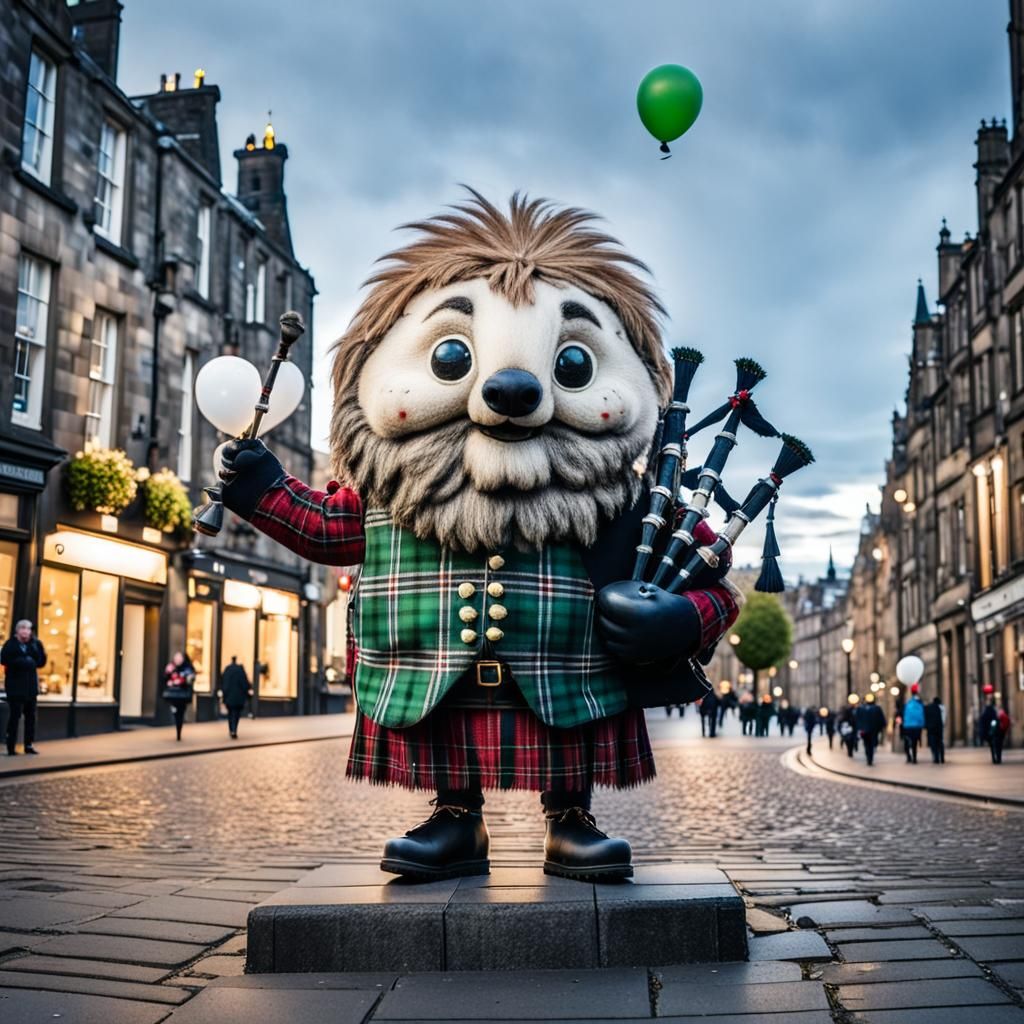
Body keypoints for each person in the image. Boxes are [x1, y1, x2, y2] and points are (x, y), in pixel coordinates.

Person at [217, 192, 742, 882]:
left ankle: (571, 819)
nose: (511, 387)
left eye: (575, 366)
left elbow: (712, 579)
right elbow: (326, 526)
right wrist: (264, 491)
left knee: (566, 736)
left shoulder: (623, 501)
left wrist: (681, 620)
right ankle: (455, 817)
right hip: (429, 671)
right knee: (448, 736)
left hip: (568, 680)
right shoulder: (395, 492)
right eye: (451, 355)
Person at [1, 620, 47, 755]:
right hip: (15, 688)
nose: (26, 631)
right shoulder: (11, 644)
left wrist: (36, 647)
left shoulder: (35, 644)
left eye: (28, 629)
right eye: (23, 628)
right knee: (14, 717)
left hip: (31, 688)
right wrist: (23, 662)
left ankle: (28, 745)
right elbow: (4, 660)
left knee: (30, 718)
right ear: (17, 630)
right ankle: (11, 746)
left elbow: (41, 661)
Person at [163, 652, 196, 741]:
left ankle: (179, 732)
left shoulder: (187, 668)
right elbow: (165, 678)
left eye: (179, 658)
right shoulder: (171, 667)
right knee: (176, 713)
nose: (177, 660)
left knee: (180, 714)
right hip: (173, 695)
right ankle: (177, 726)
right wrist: (169, 680)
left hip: (182, 696)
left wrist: (183, 681)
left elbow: (191, 679)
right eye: (176, 659)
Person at [220, 656, 252, 739]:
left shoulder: (228, 669)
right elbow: (245, 684)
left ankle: (231, 729)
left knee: (230, 714)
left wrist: (224, 695)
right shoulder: (240, 670)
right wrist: (247, 692)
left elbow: (224, 683)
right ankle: (234, 730)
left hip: (229, 696)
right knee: (236, 714)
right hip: (239, 697)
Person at [854, 692, 886, 766]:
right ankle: (869, 758)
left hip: (871, 730)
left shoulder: (873, 708)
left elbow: (881, 719)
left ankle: (869, 758)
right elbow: (858, 720)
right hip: (868, 730)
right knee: (868, 744)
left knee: (869, 744)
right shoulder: (862, 708)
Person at [979, 696, 1011, 764]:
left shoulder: (986, 711)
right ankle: (998, 758)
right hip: (997, 731)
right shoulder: (995, 711)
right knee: (998, 745)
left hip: (992, 731)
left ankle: (994, 758)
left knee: (992, 746)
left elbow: (983, 721)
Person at [901, 686, 925, 764]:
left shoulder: (908, 702)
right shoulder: (920, 702)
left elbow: (903, 714)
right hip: (917, 726)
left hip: (908, 726)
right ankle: (914, 758)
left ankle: (909, 757)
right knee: (914, 743)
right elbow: (922, 714)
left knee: (907, 742)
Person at [924, 695, 946, 764]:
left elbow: (926, 717)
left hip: (931, 728)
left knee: (933, 743)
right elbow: (944, 719)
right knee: (940, 743)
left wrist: (926, 726)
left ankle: (936, 758)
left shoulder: (929, 707)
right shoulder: (942, 708)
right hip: (939, 728)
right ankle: (942, 758)